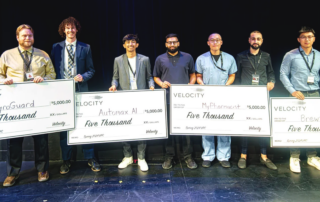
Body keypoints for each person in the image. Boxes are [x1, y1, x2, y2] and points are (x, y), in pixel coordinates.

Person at [0, 24, 56, 186]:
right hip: (15, 103)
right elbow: (0, 74)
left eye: (30, 36)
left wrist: (44, 79)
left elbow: (52, 74)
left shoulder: (43, 54)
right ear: (17, 37)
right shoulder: (7, 55)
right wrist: (4, 81)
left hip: (38, 102)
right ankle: (12, 173)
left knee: (41, 138)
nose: (27, 38)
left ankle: (42, 169)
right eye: (24, 36)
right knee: (14, 139)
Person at [51, 17, 99, 174]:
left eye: (73, 28)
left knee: (85, 123)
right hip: (62, 91)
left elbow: (91, 70)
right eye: (67, 28)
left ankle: (90, 158)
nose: (70, 31)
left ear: (77, 29)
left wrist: (83, 77)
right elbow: (52, 71)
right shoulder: (56, 47)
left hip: (81, 90)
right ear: (63, 30)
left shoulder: (85, 47)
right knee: (65, 126)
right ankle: (66, 160)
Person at [109, 34, 155, 171]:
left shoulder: (144, 59)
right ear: (124, 45)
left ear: (137, 44)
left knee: (141, 127)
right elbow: (115, 77)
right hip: (124, 97)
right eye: (127, 42)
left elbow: (149, 77)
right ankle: (128, 156)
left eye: (133, 42)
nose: (130, 44)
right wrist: (113, 86)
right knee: (125, 127)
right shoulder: (118, 60)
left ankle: (141, 158)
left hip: (141, 97)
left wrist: (151, 86)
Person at [153, 33, 197, 169]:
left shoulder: (188, 57)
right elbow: (156, 77)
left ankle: (188, 157)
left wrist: (191, 85)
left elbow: (193, 75)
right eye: (169, 42)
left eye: (174, 42)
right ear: (166, 44)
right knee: (169, 130)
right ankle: (169, 157)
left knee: (186, 129)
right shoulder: (160, 59)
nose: (172, 44)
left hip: (184, 100)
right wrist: (161, 84)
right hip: (167, 99)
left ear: (178, 43)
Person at [280, 26, 320, 173]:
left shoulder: (319, 55)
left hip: (315, 94)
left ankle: (312, 156)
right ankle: (295, 156)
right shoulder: (291, 55)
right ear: (299, 39)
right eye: (303, 37)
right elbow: (283, 74)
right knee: (295, 127)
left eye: (310, 36)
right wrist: (292, 91)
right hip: (297, 95)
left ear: (314, 39)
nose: (307, 39)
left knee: (313, 127)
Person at [235, 31, 277, 170]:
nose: (255, 41)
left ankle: (264, 156)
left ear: (262, 41)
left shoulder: (266, 56)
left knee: (263, 126)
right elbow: (237, 77)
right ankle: (243, 156)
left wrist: (271, 82)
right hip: (245, 96)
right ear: (249, 40)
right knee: (245, 126)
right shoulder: (241, 56)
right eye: (253, 38)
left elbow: (271, 73)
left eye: (258, 39)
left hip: (262, 96)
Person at [195, 33, 237, 168]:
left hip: (224, 97)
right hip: (206, 97)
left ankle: (223, 156)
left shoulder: (229, 58)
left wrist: (226, 86)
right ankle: (208, 156)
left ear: (221, 42)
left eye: (217, 40)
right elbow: (198, 76)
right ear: (208, 43)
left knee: (224, 126)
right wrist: (202, 85)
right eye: (212, 40)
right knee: (207, 126)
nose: (215, 42)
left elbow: (232, 75)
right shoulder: (201, 58)